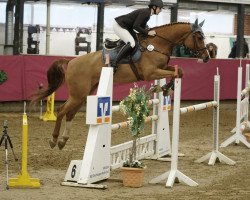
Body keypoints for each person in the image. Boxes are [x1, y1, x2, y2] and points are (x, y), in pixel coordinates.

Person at [111, 0, 164, 71]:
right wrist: (148, 32)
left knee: (137, 40)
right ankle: (114, 63)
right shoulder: (146, 13)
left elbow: (142, 26)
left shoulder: (148, 13)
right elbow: (136, 26)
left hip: (127, 27)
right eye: (160, 8)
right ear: (154, 7)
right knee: (132, 43)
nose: (160, 11)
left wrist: (147, 31)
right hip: (119, 25)